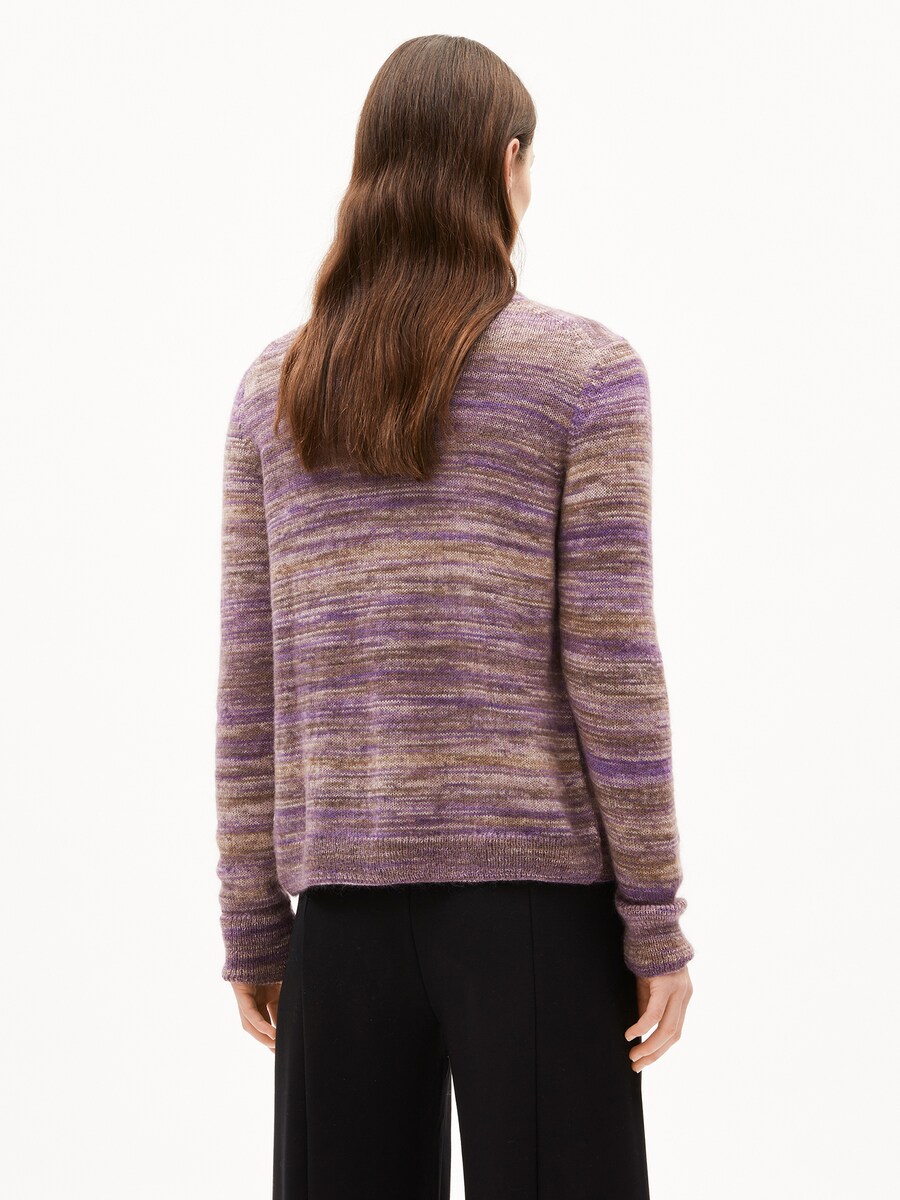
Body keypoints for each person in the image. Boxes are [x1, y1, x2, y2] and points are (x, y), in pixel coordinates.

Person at [214, 33, 695, 1200]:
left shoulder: (278, 391)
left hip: (338, 917)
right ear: (508, 162)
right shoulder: (584, 375)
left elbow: (249, 682)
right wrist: (655, 921)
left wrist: (252, 923)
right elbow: (612, 667)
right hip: (534, 911)